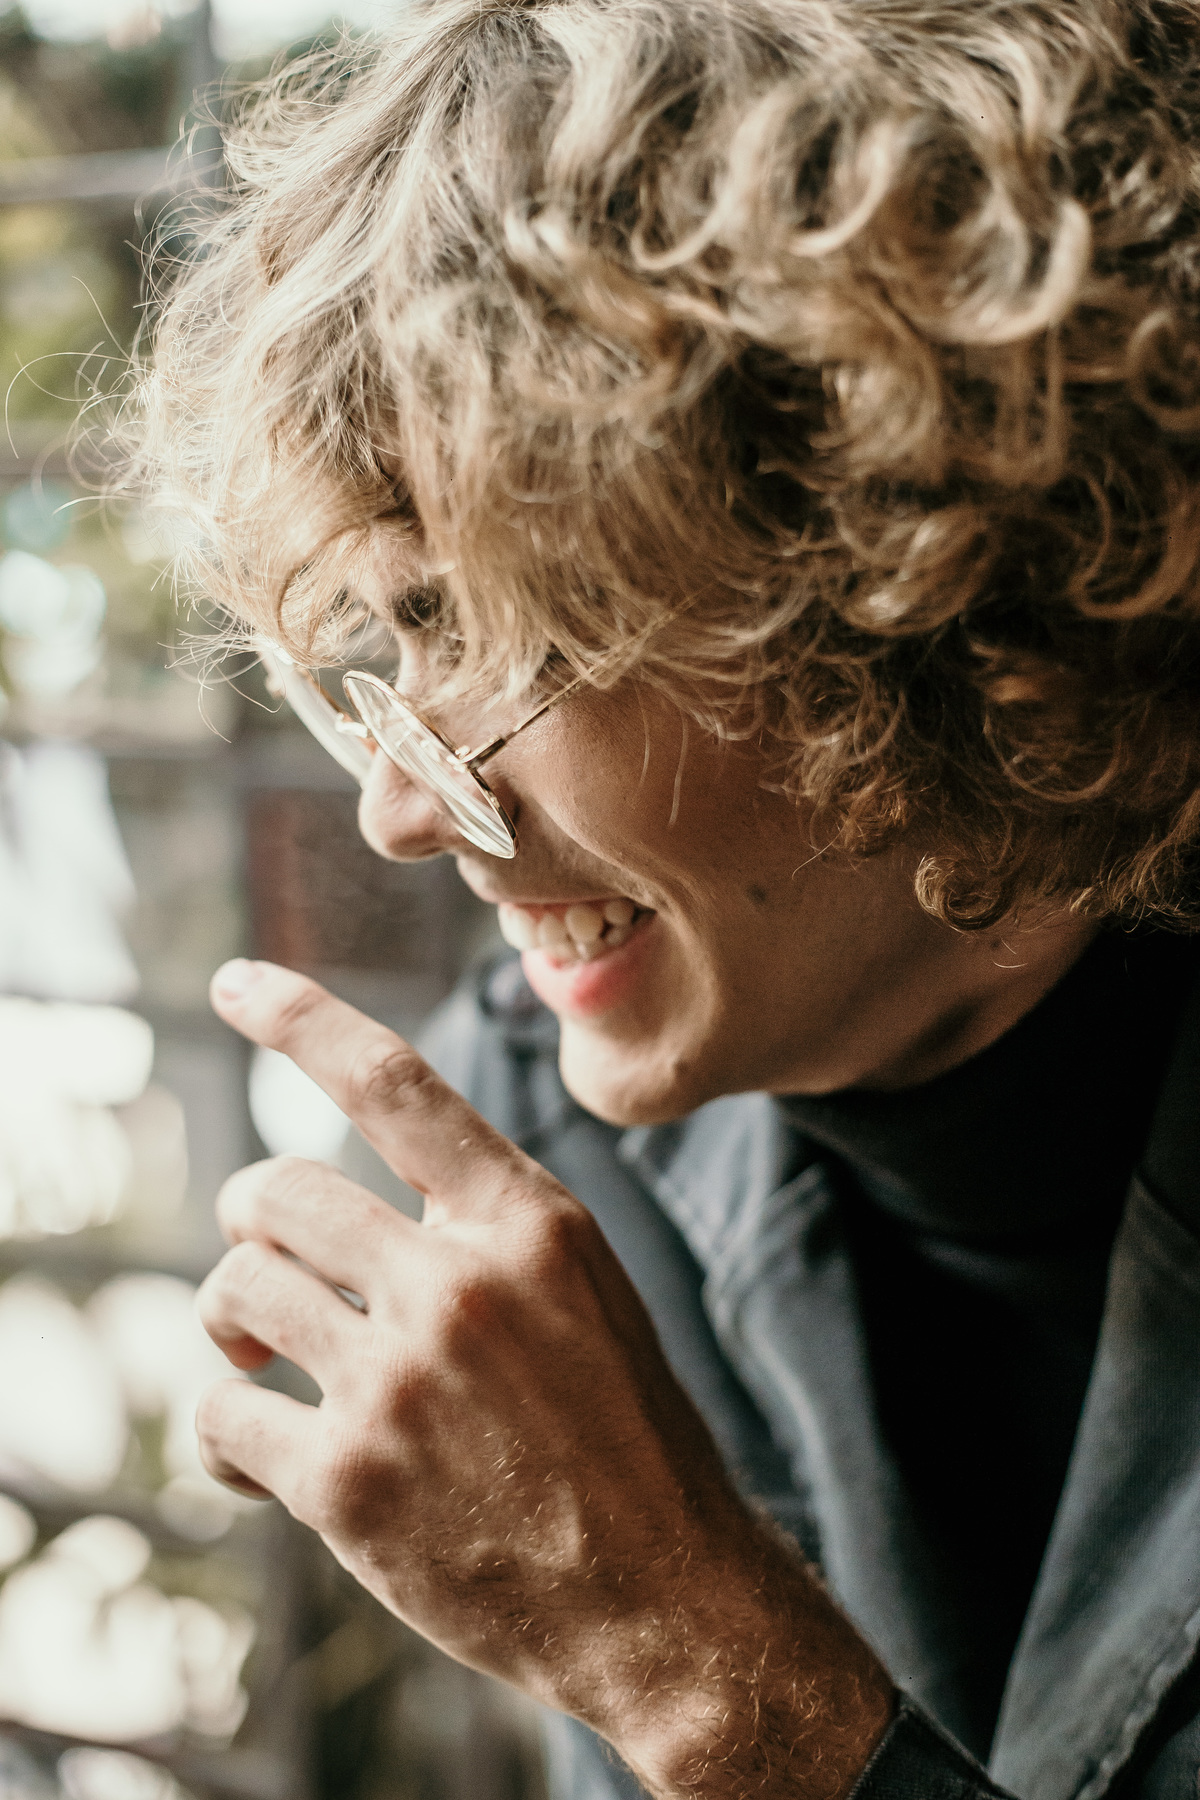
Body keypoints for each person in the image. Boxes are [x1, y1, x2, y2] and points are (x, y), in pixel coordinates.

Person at [129, 0, 1200, 1794]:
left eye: (505, 625)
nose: (398, 807)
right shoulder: (534, 1151)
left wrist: (698, 1674)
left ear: (917, 585)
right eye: (390, 642)